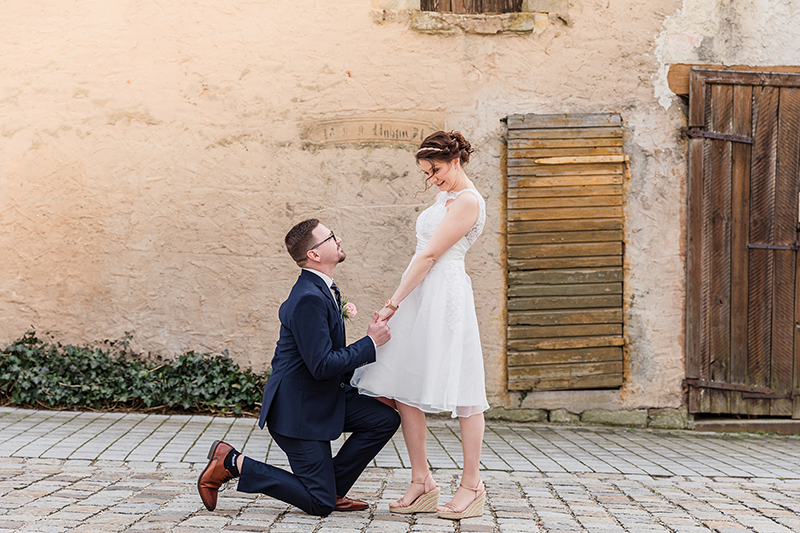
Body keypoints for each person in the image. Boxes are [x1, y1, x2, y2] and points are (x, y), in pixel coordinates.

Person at [197, 219, 400, 516]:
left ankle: (332, 489)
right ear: (315, 254)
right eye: (331, 237)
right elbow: (321, 365)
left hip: (322, 397)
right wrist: (369, 342)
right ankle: (232, 462)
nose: (339, 238)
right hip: (298, 412)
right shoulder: (308, 298)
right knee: (319, 505)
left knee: (383, 419)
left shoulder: (322, 288)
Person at [351, 130, 489, 520]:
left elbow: (430, 255)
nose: (432, 178)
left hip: (444, 295)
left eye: (436, 170)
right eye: (426, 173)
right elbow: (420, 257)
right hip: (418, 293)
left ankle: (471, 484)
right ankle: (421, 480)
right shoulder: (443, 197)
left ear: (456, 161)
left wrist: (393, 302)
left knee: (464, 389)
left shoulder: (467, 201)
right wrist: (403, 299)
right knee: (403, 385)